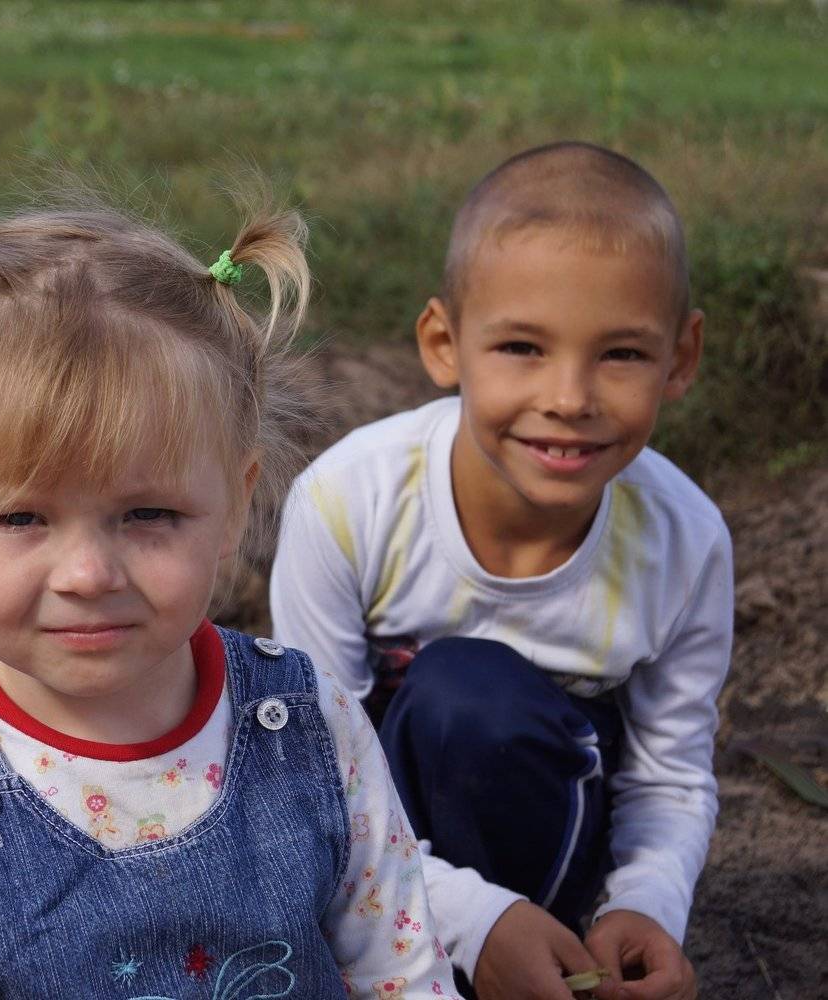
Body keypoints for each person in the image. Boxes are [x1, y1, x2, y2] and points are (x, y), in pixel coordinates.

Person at [0, 118, 462, 1000]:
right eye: (21, 518)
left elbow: (401, 975)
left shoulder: (310, 729)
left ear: (235, 505)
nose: (88, 574)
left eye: (148, 515)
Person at [270, 142, 728, 1000]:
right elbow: (312, 770)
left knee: (472, 702)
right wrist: (471, 920)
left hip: (558, 845)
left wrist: (648, 907)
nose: (569, 397)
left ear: (681, 356)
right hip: (374, 839)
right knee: (451, 696)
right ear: (445, 344)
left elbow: (669, 774)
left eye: (622, 355)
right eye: (522, 346)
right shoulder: (345, 502)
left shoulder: (685, 540)